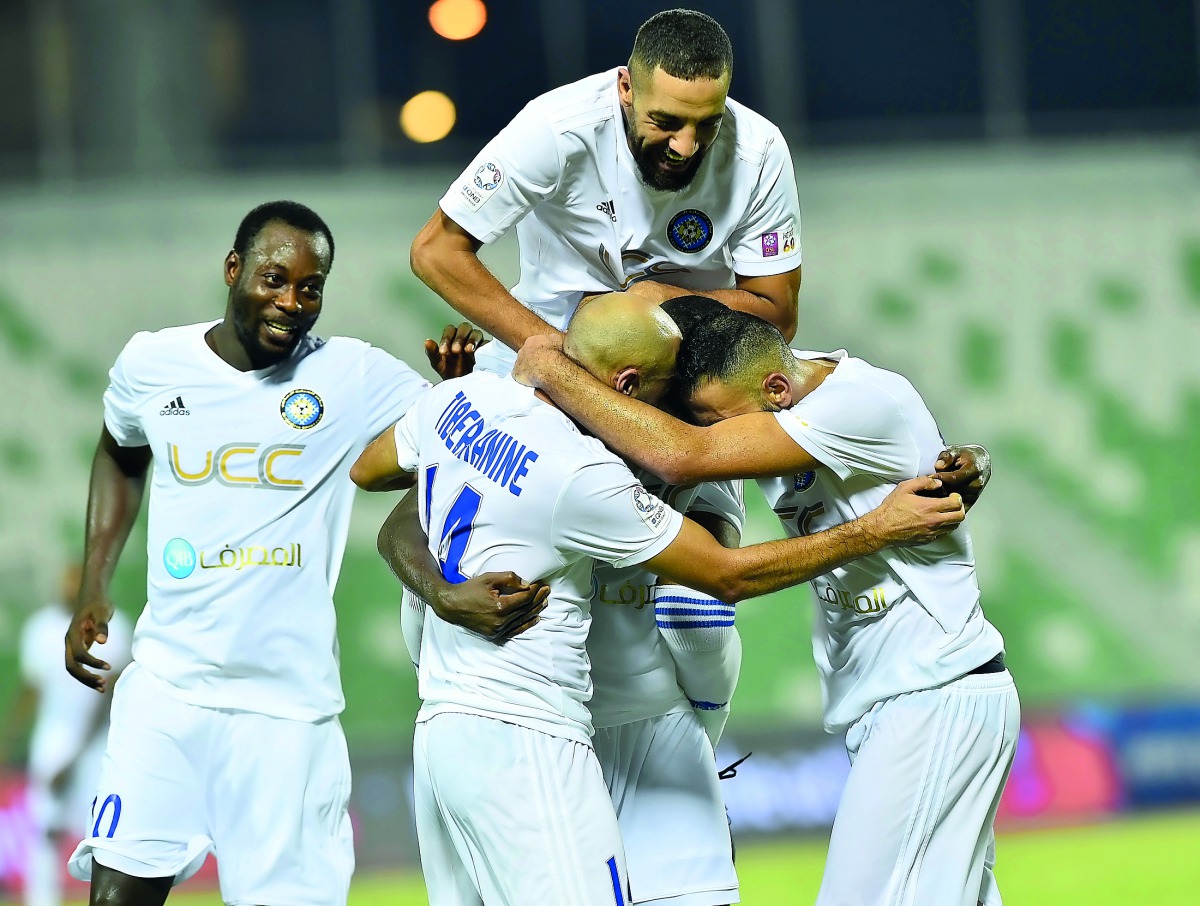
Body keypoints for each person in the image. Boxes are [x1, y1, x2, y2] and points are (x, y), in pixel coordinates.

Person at [350, 293, 970, 906]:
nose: (676, 410)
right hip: (530, 727)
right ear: (626, 381)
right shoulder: (581, 473)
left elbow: (374, 478)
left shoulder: (463, 400)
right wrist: (874, 529)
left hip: (471, 722)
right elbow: (723, 576)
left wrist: (439, 587)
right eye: (666, 385)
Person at [60, 200, 544, 906]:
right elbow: (119, 451)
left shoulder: (352, 376)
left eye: (310, 287)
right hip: (167, 694)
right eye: (274, 278)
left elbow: (452, 448)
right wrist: (94, 586)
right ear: (233, 269)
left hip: (287, 717)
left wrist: (452, 393)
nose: (292, 301)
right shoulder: (152, 362)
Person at [514, 306, 1018, 906]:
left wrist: (545, 361)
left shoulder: (861, 401)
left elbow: (687, 455)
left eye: (720, 420)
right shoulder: (780, 388)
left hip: (934, 691)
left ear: (777, 390)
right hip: (895, 699)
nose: (717, 435)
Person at [410, 8, 802, 382]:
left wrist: (658, 299)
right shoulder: (555, 129)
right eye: (665, 122)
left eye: (707, 124)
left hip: (689, 361)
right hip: (550, 338)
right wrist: (564, 357)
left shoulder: (759, 150)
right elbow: (436, 251)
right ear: (626, 88)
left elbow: (778, 315)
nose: (685, 146)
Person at [5, 564, 131, 906]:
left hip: (100, 746)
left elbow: (110, 696)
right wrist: (10, 737)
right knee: (45, 831)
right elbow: (33, 688)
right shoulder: (41, 627)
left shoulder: (115, 629)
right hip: (51, 742)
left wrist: (74, 756)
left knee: (105, 835)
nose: (68, 587)